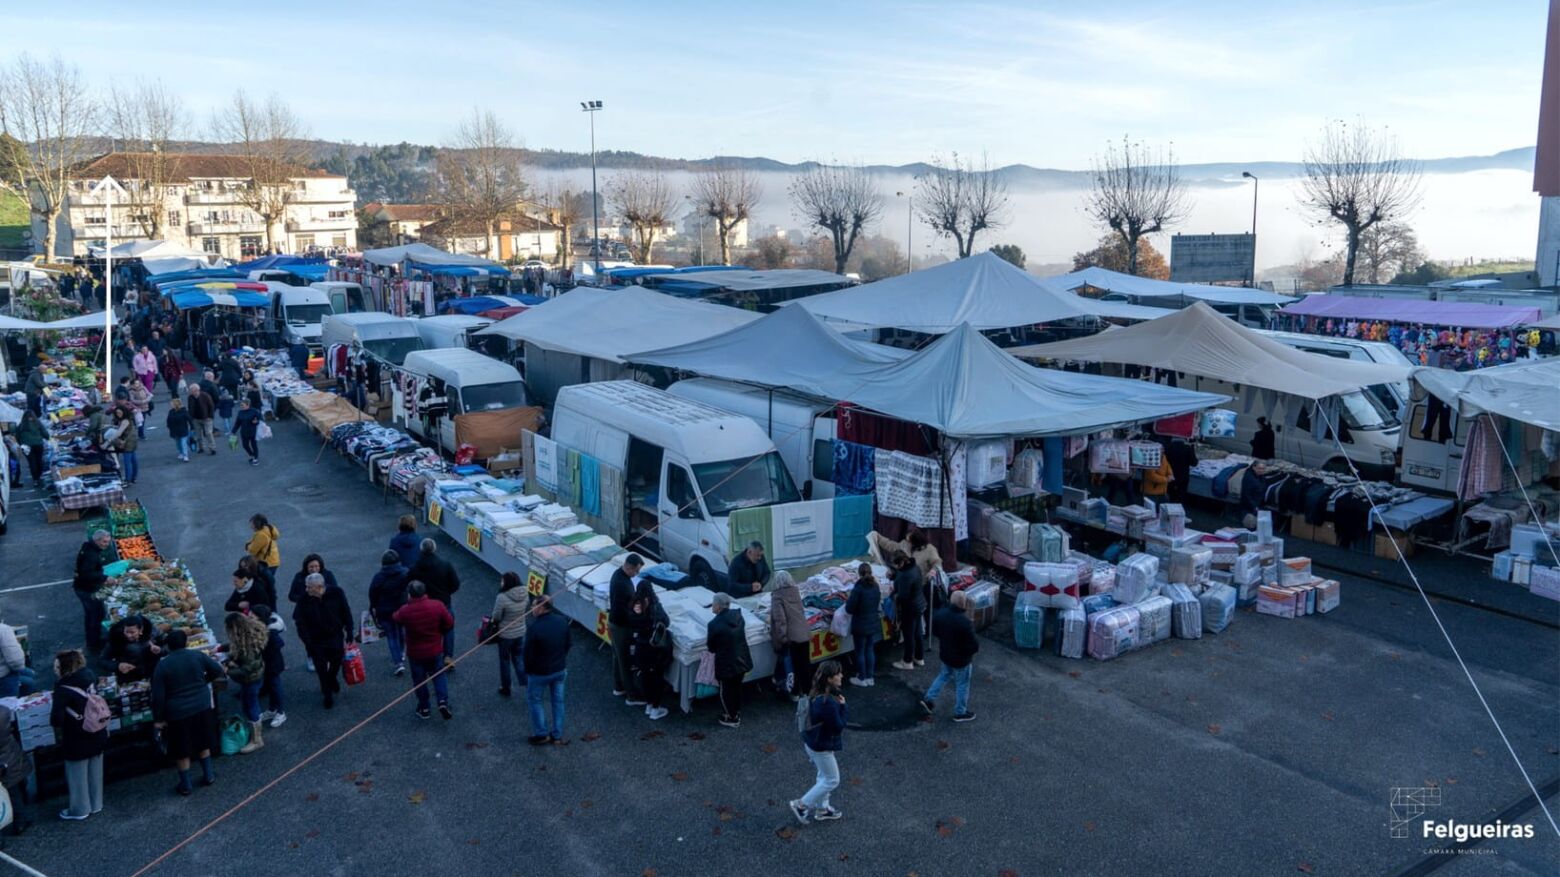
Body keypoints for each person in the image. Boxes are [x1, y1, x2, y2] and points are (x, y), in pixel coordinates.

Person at [152, 630, 224, 795]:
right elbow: (217, 669)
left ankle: (186, 785)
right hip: (202, 705)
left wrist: (158, 719)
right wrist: (204, 681)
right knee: (203, 741)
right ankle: (209, 775)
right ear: (185, 643)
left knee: (181, 749)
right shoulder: (197, 656)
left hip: (178, 713)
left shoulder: (163, 665)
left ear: (168, 646)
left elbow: (158, 696)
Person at [789, 659, 847, 824]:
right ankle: (801, 805)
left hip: (813, 742)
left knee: (824, 776)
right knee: (832, 780)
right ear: (829, 678)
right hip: (822, 746)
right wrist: (843, 707)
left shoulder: (817, 693)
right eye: (838, 674)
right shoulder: (828, 702)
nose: (841, 676)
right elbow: (838, 726)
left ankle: (823, 809)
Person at [51, 650, 107, 820]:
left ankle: (80, 809)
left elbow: (56, 719)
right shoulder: (90, 676)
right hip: (97, 731)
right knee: (95, 771)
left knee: (77, 776)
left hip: (76, 736)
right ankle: (96, 804)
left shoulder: (63, 689)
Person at [393, 580, 454, 720]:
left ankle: (424, 707)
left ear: (410, 594)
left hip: (416, 653)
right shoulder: (437, 606)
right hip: (434, 650)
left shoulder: (405, 611)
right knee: (438, 675)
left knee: (419, 681)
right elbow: (449, 622)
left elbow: (395, 618)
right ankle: (442, 701)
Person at [291, 573, 354, 708]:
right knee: (320, 668)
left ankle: (331, 678)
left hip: (335, 636)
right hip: (316, 641)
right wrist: (308, 642)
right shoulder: (304, 600)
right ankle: (327, 694)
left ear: (319, 587)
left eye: (309, 587)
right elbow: (299, 622)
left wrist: (349, 631)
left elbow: (346, 612)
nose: (306, 590)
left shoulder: (337, 593)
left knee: (336, 662)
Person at [919, 589, 979, 723]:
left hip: (946, 654)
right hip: (961, 659)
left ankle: (928, 699)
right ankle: (960, 712)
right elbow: (974, 645)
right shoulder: (965, 622)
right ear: (964, 604)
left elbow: (935, 631)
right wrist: (967, 653)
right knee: (962, 684)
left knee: (943, 675)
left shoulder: (940, 615)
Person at [523, 597, 570, 745]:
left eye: (534, 606)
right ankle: (557, 734)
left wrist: (529, 670)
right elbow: (568, 644)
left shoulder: (534, 628)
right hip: (559, 669)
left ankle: (541, 733)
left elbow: (527, 654)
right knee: (558, 701)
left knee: (535, 700)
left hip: (539, 673)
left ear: (542, 608)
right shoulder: (562, 621)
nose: (532, 608)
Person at [407, 539, 460, 665]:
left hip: (424, 604)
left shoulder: (415, 568)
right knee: (448, 628)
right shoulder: (445, 565)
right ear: (434, 549)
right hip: (443, 602)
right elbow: (456, 584)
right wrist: (447, 593)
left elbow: (408, 584)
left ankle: (431, 654)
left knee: (427, 630)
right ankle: (448, 656)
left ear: (421, 549)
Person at [222, 612, 268, 755]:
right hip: (255, 676)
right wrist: (222, 649)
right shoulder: (249, 636)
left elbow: (246, 669)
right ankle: (253, 734)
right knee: (248, 704)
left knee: (251, 706)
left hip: (251, 679)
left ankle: (257, 740)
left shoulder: (247, 646)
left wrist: (227, 671)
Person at [627, 580, 672, 721]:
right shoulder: (654, 606)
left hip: (640, 647)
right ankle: (655, 708)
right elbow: (666, 621)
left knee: (646, 677)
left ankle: (649, 704)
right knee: (657, 679)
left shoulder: (633, 605)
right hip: (654, 649)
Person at [707, 592, 752, 728]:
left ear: (719, 607)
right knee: (737, 687)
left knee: (726, 690)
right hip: (742, 660)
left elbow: (711, 647)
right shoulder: (739, 617)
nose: (712, 607)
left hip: (726, 663)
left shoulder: (714, 624)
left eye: (713, 605)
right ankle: (736, 711)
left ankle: (731, 717)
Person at [768, 570, 813, 700]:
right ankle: (807, 691)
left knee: (792, 667)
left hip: (791, 636)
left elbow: (780, 619)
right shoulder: (795, 591)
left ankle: (794, 692)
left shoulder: (777, 596)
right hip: (803, 632)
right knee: (804, 664)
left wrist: (782, 637)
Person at [607, 554, 645, 703]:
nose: (636, 574)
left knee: (617, 657)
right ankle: (632, 695)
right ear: (629, 567)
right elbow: (623, 609)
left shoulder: (619, 576)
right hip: (621, 626)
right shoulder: (622, 583)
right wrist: (636, 621)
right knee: (625, 660)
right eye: (636, 571)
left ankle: (619, 687)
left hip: (616, 623)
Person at [368, 550, 410, 675]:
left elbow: (372, 593)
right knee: (401, 630)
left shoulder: (379, 577)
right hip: (402, 608)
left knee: (391, 636)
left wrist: (374, 606)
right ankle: (402, 652)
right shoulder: (405, 572)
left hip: (385, 611)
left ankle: (398, 663)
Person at [490, 572, 528, 697]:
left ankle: (506, 687)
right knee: (518, 659)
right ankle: (527, 683)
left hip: (505, 635)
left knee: (505, 661)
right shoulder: (525, 593)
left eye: (502, 581)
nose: (501, 583)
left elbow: (496, 616)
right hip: (521, 631)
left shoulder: (502, 597)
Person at [73, 531, 112, 652]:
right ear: (97, 540)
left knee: (90, 615)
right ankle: (95, 645)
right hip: (87, 590)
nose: (106, 544)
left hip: (81, 588)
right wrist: (104, 578)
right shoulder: (92, 555)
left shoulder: (88, 547)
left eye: (108, 542)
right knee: (96, 615)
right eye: (104, 542)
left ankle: (91, 640)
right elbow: (87, 573)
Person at [889, 551, 927, 671]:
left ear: (902, 561)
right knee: (918, 632)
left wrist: (893, 595)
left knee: (909, 634)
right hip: (919, 604)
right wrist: (895, 575)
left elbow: (903, 596)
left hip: (910, 608)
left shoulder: (906, 575)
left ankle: (907, 661)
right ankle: (919, 657)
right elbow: (903, 577)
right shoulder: (914, 567)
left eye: (897, 565)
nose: (896, 567)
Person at [845, 563, 882, 687]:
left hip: (860, 625)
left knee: (860, 651)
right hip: (873, 623)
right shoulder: (875, 586)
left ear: (859, 574)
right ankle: (870, 677)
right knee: (870, 649)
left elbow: (849, 609)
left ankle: (862, 677)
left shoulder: (858, 589)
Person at [0, 702, 33, 836]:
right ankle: (20, 821)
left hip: (4, 761)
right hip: (11, 755)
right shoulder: (3, 712)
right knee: (16, 790)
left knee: (10, 792)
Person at [97, 615, 161, 684]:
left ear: (140, 630)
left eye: (132, 632)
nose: (129, 635)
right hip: (128, 679)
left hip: (151, 676)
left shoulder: (152, 635)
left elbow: (168, 648)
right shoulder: (116, 641)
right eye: (126, 632)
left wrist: (159, 650)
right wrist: (118, 665)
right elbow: (102, 660)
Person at [252, 605, 287, 728]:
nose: (250, 617)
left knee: (275, 686)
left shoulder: (269, 632)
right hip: (267, 663)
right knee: (272, 686)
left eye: (253, 616)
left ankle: (281, 712)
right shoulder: (259, 628)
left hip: (272, 663)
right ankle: (272, 709)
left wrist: (264, 649)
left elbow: (279, 643)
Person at [0, 618, 34, 697]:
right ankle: (20, 704)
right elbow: (16, 661)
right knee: (29, 681)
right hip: (3, 677)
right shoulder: (3, 630)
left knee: (29, 674)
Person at [14, 410, 47, 487]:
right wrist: (47, 437)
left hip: (26, 447)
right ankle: (39, 476)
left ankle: (35, 479)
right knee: (39, 460)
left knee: (32, 462)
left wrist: (21, 444)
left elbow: (17, 436)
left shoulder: (21, 425)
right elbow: (44, 433)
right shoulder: (37, 423)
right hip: (38, 444)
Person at [186, 384, 217, 456]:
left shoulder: (205, 396)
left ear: (197, 390)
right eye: (191, 391)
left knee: (208, 433)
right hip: (196, 419)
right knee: (198, 435)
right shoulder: (190, 397)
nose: (191, 392)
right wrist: (191, 418)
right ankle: (201, 447)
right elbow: (190, 408)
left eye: (192, 391)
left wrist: (210, 416)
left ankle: (212, 448)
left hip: (207, 418)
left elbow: (211, 406)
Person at [111, 409, 138, 486]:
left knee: (127, 462)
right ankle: (133, 478)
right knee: (133, 460)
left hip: (127, 442)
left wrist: (109, 440)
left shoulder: (124, 421)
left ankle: (128, 480)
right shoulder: (129, 419)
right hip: (132, 441)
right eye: (117, 413)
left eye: (120, 412)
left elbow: (119, 433)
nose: (118, 414)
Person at [234, 398, 262, 466]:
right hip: (243, 432)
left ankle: (256, 458)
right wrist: (233, 431)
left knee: (254, 445)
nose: (241, 406)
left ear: (248, 405)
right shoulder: (240, 412)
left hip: (252, 432)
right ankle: (252, 455)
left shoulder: (254, 411)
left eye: (242, 405)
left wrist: (256, 422)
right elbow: (237, 423)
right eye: (241, 405)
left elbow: (260, 419)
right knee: (245, 445)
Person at [165, 397, 193, 462]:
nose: (171, 405)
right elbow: (168, 420)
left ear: (176, 404)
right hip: (174, 431)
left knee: (183, 443)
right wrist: (169, 426)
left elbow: (189, 419)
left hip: (183, 430)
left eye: (172, 404)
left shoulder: (183, 411)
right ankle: (181, 452)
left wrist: (192, 427)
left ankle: (185, 455)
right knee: (178, 443)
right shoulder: (171, 411)